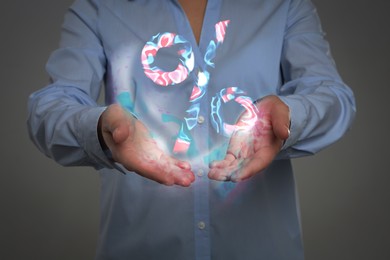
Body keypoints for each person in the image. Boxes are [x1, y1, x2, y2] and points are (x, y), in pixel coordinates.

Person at [27, 0, 356, 259]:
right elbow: (50, 108)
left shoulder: (283, 5)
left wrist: (288, 117)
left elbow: (333, 97)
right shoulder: (99, 7)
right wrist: (101, 128)